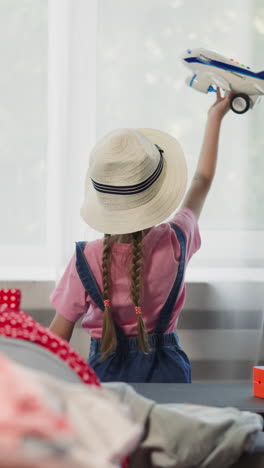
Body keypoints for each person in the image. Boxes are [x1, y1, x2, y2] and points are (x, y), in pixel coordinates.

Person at [49, 88, 232, 383]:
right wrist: (215, 117)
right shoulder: (176, 239)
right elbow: (202, 180)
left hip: (106, 381)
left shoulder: (87, 258)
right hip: (169, 376)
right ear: (157, 193)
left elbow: (57, 339)